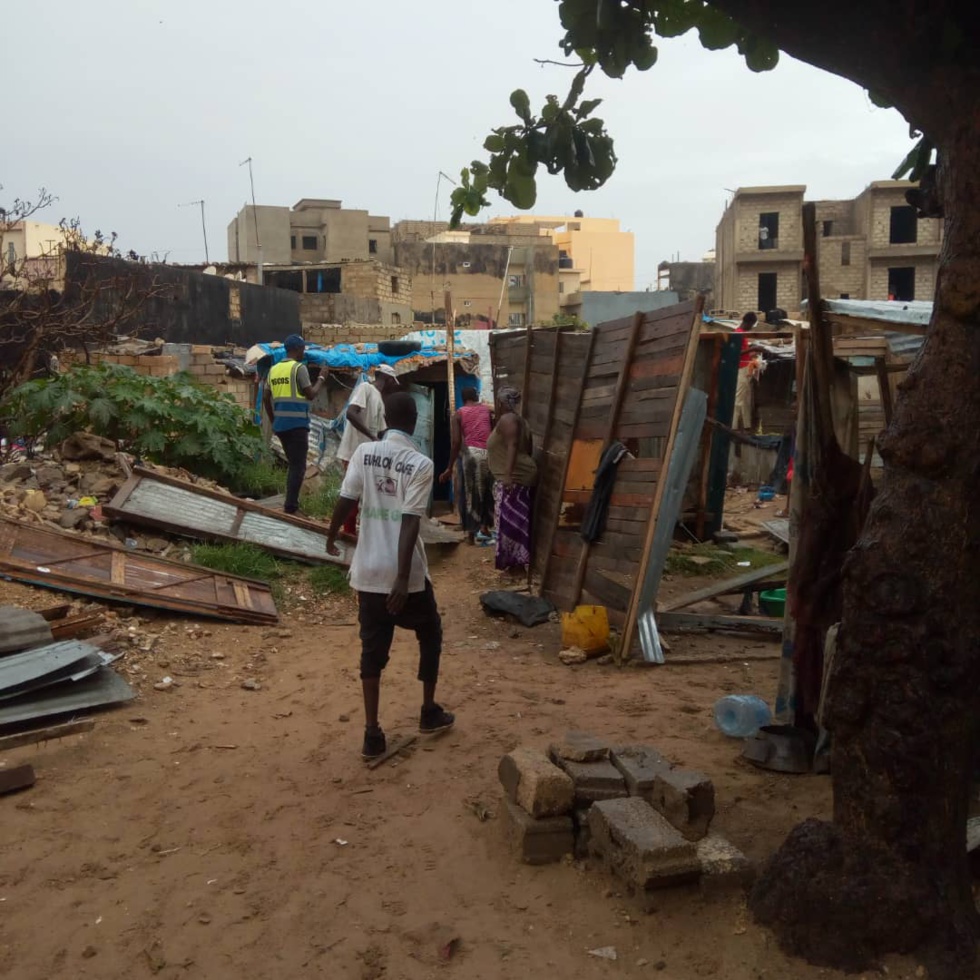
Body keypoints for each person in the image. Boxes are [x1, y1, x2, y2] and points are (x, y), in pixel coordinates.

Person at [326, 391, 455, 760]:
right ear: (414, 421)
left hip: (366, 573)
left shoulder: (364, 453)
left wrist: (331, 534)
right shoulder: (421, 463)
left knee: (372, 654)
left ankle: (371, 734)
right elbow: (410, 521)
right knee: (430, 633)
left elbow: (347, 499)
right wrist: (401, 579)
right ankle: (428, 711)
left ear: (385, 420)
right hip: (406, 578)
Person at [335, 363, 401, 538]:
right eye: (393, 382)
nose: (394, 387)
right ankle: (348, 532)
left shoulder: (379, 399)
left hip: (368, 456)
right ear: (386, 379)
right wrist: (372, 437)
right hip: (354, 451)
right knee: (352, 494)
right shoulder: (365, 388)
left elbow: (381, 431)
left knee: (366, 495)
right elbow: (351, 413)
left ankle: (362, 533)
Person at [262, 334, 326, 515]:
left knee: (293, 466)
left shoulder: (273, 370)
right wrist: (321, 378)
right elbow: (311, 394)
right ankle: (291, 507)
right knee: (298, 467)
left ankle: (291, 503)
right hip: (297, 424)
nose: (304, 351)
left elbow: (266, 398)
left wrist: (274, 420)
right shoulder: (299, 369)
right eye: (303, 348)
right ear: (297, 349)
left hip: (281, 426)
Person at [486, 385, 537, 572]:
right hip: (519, 476)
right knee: (514, 522)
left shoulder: (508, 420)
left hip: (514, 479)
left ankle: (514, 566)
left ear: (501, 402)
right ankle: (515, 565)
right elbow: (528, 448)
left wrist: (508, 475)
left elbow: (513, 445)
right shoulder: (520, 421)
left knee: (510, 524)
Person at [439, 387, 493, 544]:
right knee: (485, 490)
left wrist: (449, 467)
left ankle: (471, 533)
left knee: (470, 493)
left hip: (471, 454)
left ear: (463, 399)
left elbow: (456, 442)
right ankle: (484, 527)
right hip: (488, 453)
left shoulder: (459, 413)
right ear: (476, 397)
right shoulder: (486, 410)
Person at [733, 312, 764, 431]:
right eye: (752, 325)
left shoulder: (742, 334)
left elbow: (744, 354)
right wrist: (754, 348)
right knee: (739, 398)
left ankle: (747, 426)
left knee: (746, 399)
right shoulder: (738, 334)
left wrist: (753, 353)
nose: (752, 327)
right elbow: (736, 353)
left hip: (745, 368)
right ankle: (734, 426)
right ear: (749, 323)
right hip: (741, 369)